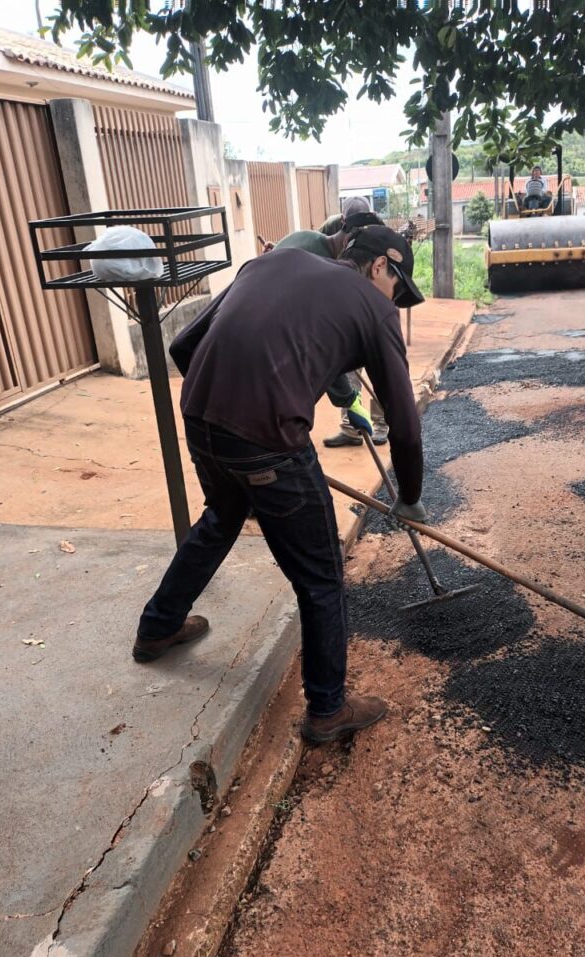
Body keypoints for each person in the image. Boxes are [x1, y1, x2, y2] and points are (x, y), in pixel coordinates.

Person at [132, 225, 427, 745]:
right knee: (321, 576)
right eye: (397, 288)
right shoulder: (374, 308)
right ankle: (328, 710)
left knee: (222, 518)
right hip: (268, 442)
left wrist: (228, 418)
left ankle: (158, 628)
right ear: (381, 264)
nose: (394, 301)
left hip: (200, 420)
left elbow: (183, 345)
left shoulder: (270, 262)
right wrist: (409, 497)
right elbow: (404, 423)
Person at [270, 197, 391, 447]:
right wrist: (347, 398)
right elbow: (323, 347)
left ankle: (381, 421)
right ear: (344, 222)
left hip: (368, 297)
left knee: (378, 361)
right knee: (346, 363)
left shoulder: (376, 232)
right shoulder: (330, 233)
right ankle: (351, 428)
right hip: (331, 301)